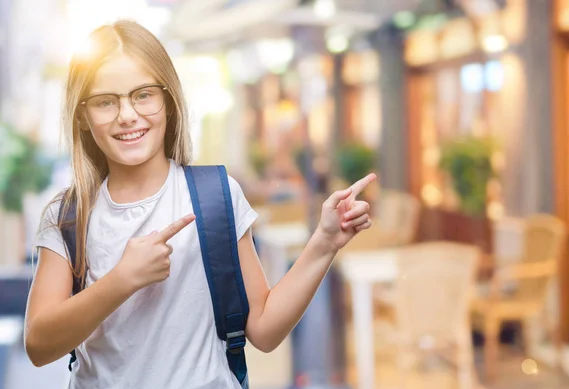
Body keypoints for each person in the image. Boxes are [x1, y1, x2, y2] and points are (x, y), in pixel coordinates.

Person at [24, 20, 376, 389]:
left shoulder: (215, 194)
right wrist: (121, 281)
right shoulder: (68, 215)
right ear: (82, 115)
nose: (127, 114)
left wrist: (323, 242)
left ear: (168, 101)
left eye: (143, 94)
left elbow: (265, 330)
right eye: (105, 101)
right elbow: (38, 345)